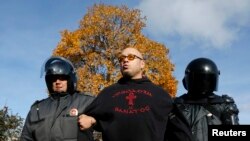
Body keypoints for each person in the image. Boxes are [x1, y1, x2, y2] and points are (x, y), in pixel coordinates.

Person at [78, 47, 193, 141]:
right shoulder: (107, 94)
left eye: (131, 57)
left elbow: (180, 132)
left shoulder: (160, 94)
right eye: (121, 58)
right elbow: (87, 120)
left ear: (142, 64)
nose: (125, 60)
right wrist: (92, 120)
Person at [20, 56, 95, 141]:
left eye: (62, 78)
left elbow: (109, 120)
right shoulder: (37, 109)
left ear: (70, 79)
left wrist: (93, 120)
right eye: (54, 79)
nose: (58, 82)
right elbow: (26, 137)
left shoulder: (86, 101)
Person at [174, 57, 239, 141]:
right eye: (200, 80)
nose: (204, 83)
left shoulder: (223, 105)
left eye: (207, 80)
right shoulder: (176, 106)